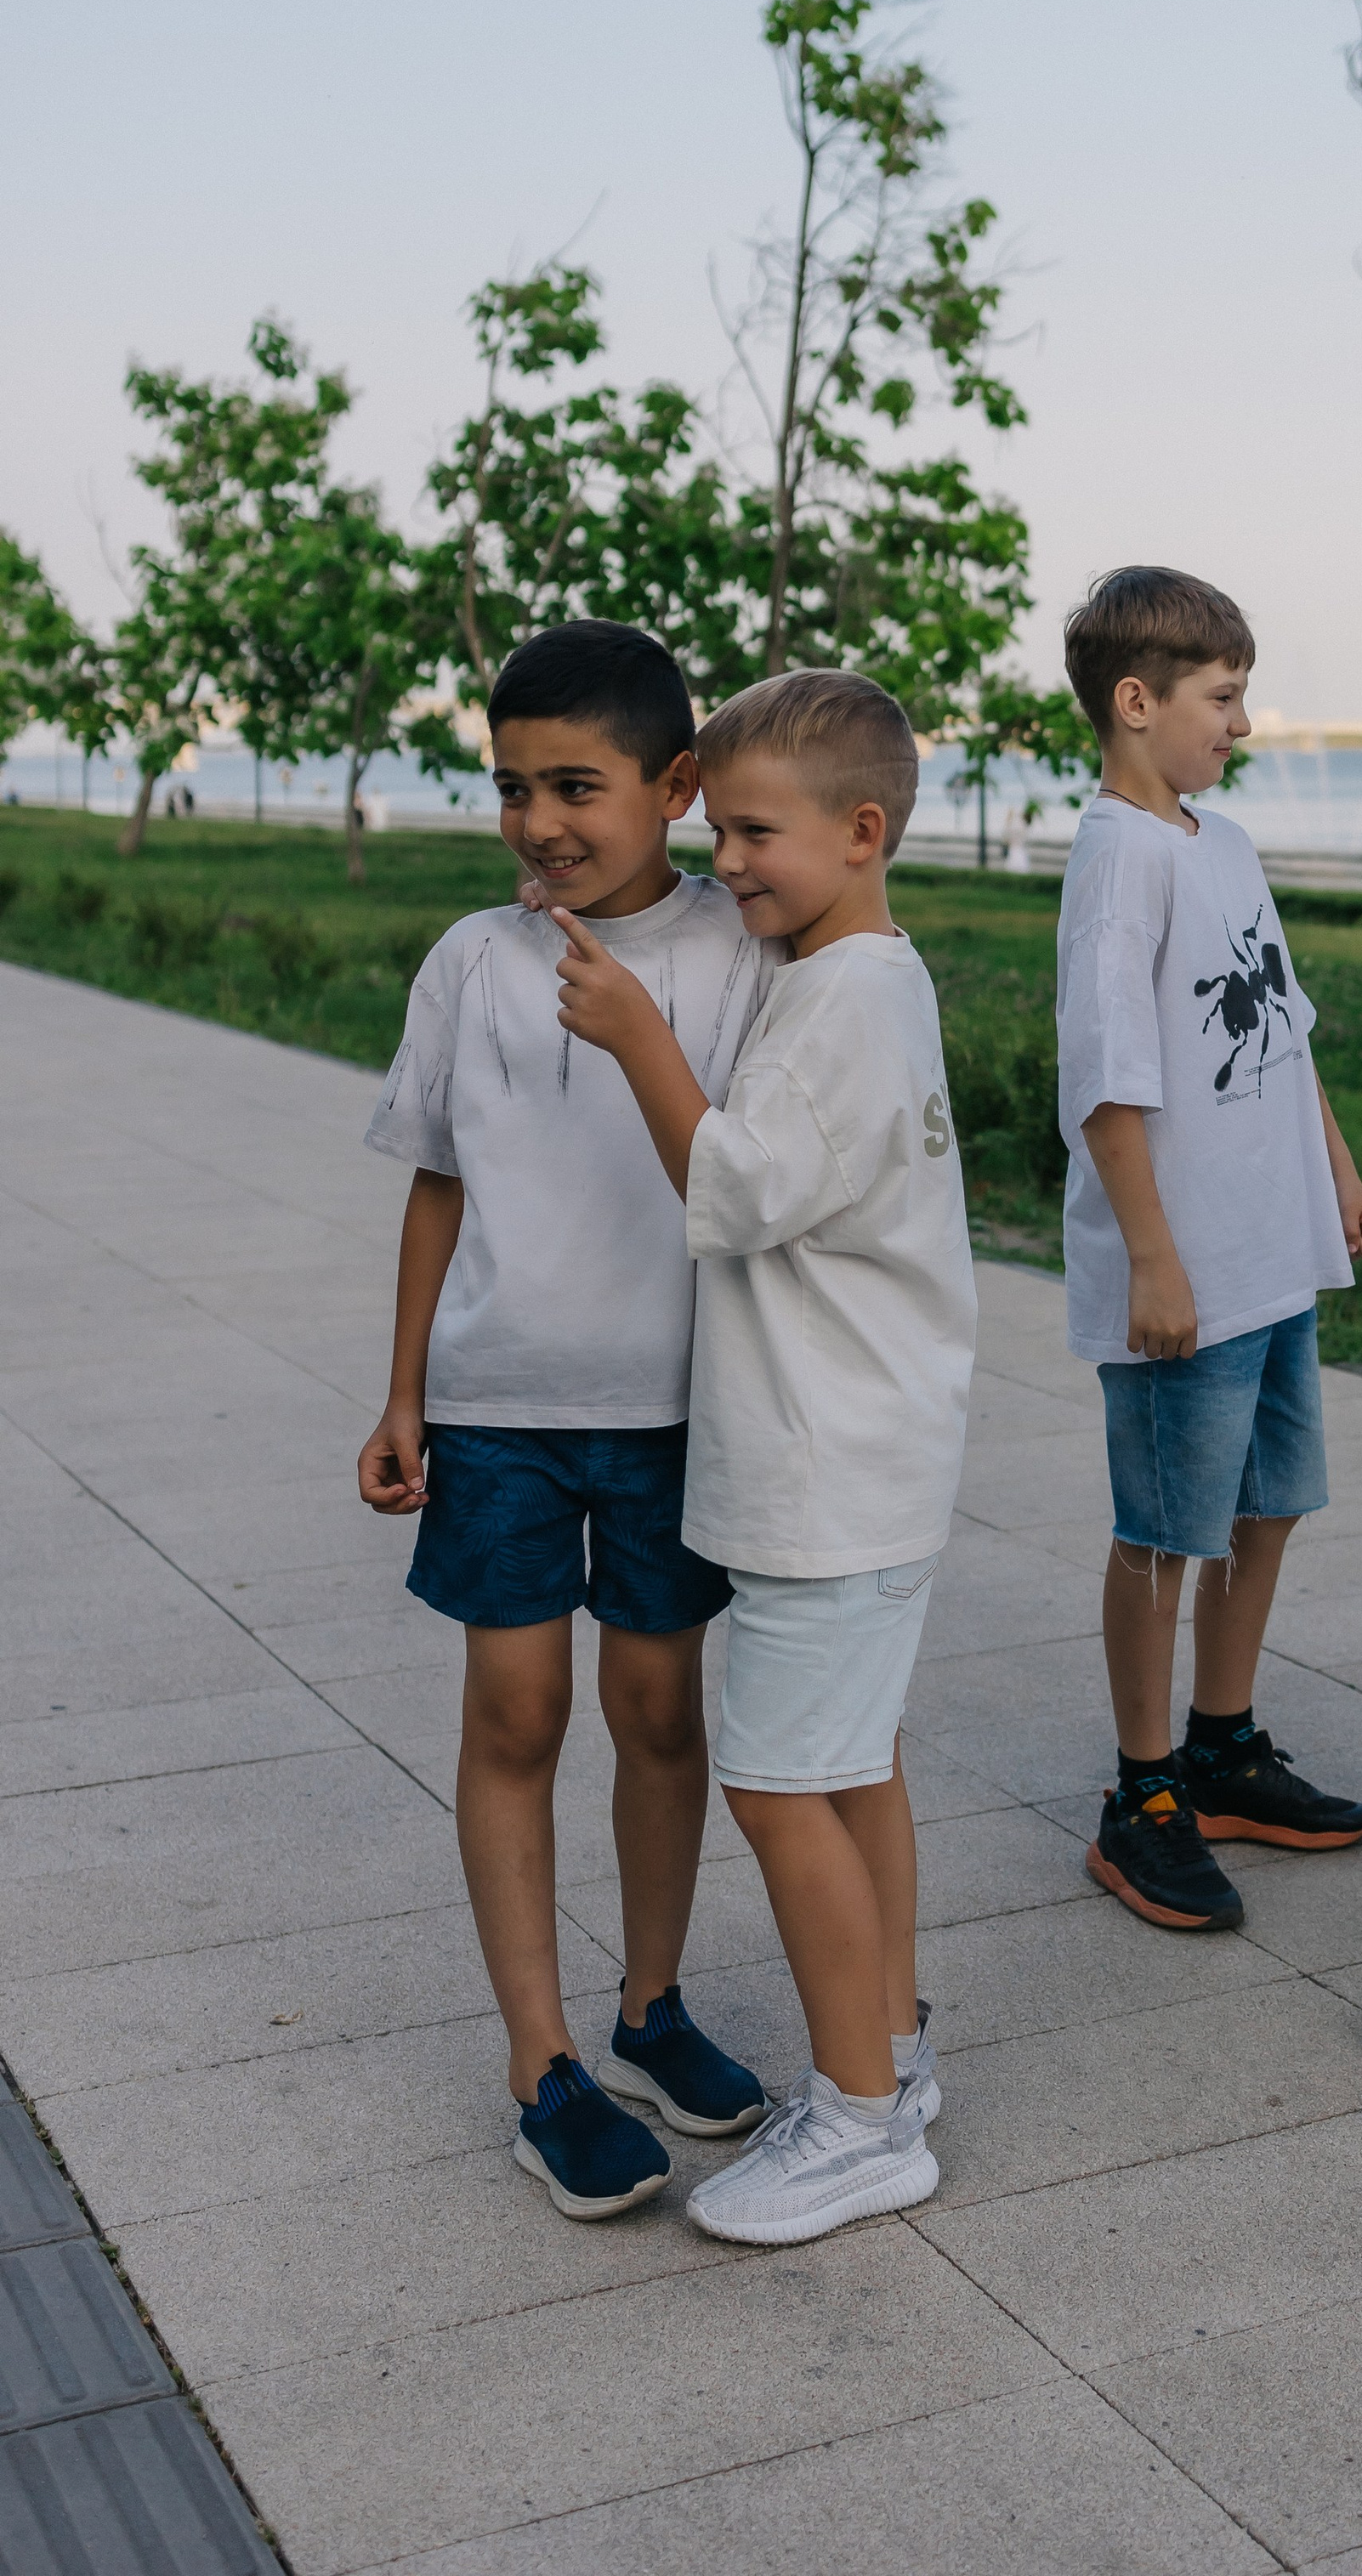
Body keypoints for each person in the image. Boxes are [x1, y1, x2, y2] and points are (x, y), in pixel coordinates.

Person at [358, 620, 774, 2222]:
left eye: (577, 786)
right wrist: (405, 1389)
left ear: (674, 786)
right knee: (516, 1717)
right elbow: (438, 1182)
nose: (540, 822)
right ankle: (545, 2067)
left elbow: (749, 1176)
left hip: (673, 1413)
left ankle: (650, 2008)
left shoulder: (739, 957)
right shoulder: (473, 961)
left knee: (662, 1716)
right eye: (513, 787)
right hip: (500, 1411)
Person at [553, 666, 973, 2245]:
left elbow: (730, 1188)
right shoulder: (872, 976)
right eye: (717, 829)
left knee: (781, 1782)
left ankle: (862, 2123)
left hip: (826, 1467)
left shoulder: (844, 998)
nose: (725, 861)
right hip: (869, 1453)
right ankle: (894, 2061)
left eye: (753, 833)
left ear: (862, 833)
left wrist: (636, 1037)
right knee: (852, 1769)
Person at [1054, 565, 1362, 1936]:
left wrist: (1337, 1162)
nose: (1241, 726)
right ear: (1137, 703)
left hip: (1270, 1253)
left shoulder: (1223, 843)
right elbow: (1109, 1079)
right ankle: (1140, 1799)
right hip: (1183, 1268)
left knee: (1268, 1503)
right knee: (1162, 1531)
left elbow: (1283, 1023)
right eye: (1223, 698)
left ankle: (1223, 1745)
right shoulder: (1117, 861)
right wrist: (1151, 1255)